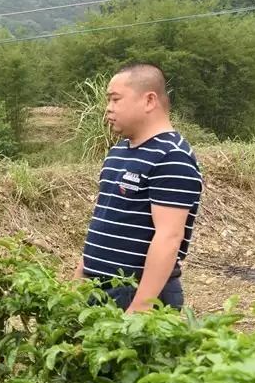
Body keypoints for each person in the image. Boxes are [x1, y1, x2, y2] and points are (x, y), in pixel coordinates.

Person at [78, 62, 202, 312]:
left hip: (133, 291)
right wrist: (79, 279)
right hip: (98, 288)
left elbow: (168, 238)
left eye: (115, 100)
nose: (108, 109)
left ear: (149, 101)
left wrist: (139, 310)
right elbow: (104, 221)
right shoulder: (118, 152)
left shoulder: (171, 156)